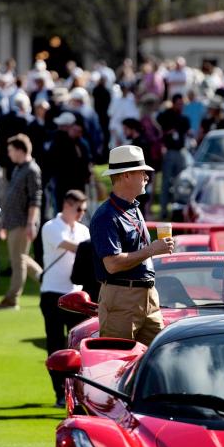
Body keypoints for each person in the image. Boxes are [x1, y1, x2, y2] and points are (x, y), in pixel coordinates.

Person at [90, 145, 174, 344]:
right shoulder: (106, 216)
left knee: (159, 359)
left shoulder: (133, 208)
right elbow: (112, 264)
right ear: (126, 175)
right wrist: (151, 250)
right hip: (121, 297)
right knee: (119, 362)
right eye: (142, 172)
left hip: (147, 296)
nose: (146, 177)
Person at [39, 190, 91, 407]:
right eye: (79, 209)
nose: (81, 214)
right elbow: (72, 247)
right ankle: (59, 392)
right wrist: (92, 248)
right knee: (55, 344)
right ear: (67, 205)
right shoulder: (51, 227)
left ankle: (78, 392)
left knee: (78, 347)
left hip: (76, 295)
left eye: (84, 210)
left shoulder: (83, 230)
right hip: (52, 292)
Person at [0, 134, 44, 310]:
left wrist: (30, 223)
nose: (9, 154)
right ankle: (47, 280)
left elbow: (35, 199)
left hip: (23, 223)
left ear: (20, 150)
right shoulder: (18, 169)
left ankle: (12, 299)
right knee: (22, 259)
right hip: (14, 222)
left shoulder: (32, 170)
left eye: (11, 150)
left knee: (18, 261)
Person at [156, 94, 192, 214]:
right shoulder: (166, 115)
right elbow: (158, 123)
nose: (180, 106)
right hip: (170, 151)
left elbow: (187, 132)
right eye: (178, 104)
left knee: (180, 182)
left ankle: (178, 211)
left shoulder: (184, 118)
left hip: (180, 151)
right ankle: (163, 210)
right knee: (166, 182)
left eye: (182, 104)